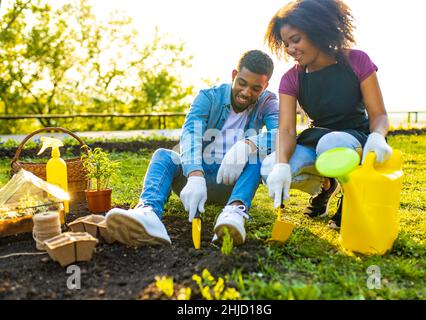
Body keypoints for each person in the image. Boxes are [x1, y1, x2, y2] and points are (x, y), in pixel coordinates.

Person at [106, 50, 278, 246]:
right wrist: (195, 175)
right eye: (242, 83)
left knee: (258, 157)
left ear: (265, 86)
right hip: (194, 182)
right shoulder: (208, 97)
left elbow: (283, 133)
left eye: (256, 88)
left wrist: (248, 145)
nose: (247, 92)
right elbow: (191, 134)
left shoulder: (268, 102)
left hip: (232, 183)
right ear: (233, 75)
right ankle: (149, 213)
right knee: (163, 155)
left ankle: (234, 213)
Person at [261, 0, 393, 230]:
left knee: (331, 143)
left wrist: (378, 136)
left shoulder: (357, 60)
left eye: (296, 40)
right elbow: (286, 130)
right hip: (318, 139)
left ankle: (352, 197)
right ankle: (326, 185)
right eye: (286, 44)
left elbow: (379, 114)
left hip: (355, 138)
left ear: (317, 31)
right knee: (268, 167)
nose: (290, 49)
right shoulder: (291, 79)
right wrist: (282, 165)